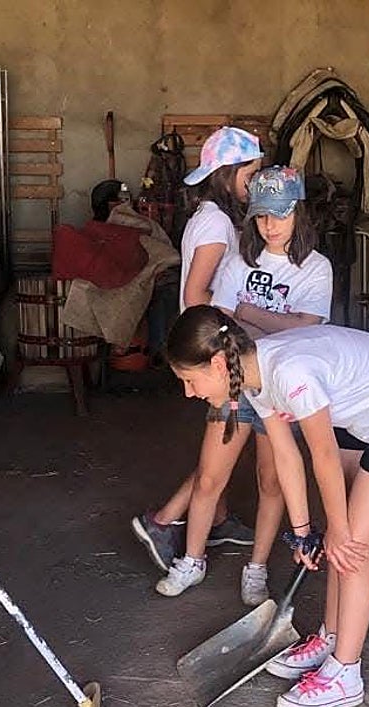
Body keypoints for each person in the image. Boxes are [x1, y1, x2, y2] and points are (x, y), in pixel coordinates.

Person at [165, 307, 369, 707]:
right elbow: (288, 456)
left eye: (190, 380)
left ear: (218, 363)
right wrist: (303, 532)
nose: (189, 393)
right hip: (360, 410)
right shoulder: (253, 373)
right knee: (334, 534)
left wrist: (339, 532)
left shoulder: (289, 374)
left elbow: (322, 456)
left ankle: (347, 674)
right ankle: (330, 636)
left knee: (352, 547)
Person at [131, 126, 263, 590]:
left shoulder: (217, 218)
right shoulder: (214, 224)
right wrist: (248, 315)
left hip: (215, 349)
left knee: (221, 450)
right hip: (214, 354)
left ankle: (219, 518)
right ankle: (164, 520)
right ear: (229, 174)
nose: (256, 179)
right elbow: (196, 294)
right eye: (252, 171)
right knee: (222, 452)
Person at [206, 166, 332, 605]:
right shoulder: (238, 260)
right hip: (234, 377)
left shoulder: (317, 269)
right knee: (212, 471)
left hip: (280, 386)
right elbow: (220, 321)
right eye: (261, 216)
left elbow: (306, 330)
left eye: (280, 215)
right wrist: (269, 322)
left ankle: (256, 566)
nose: (270, 226)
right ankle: (190, 557)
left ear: (299, 213)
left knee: (270, 477)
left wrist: (251, 313)